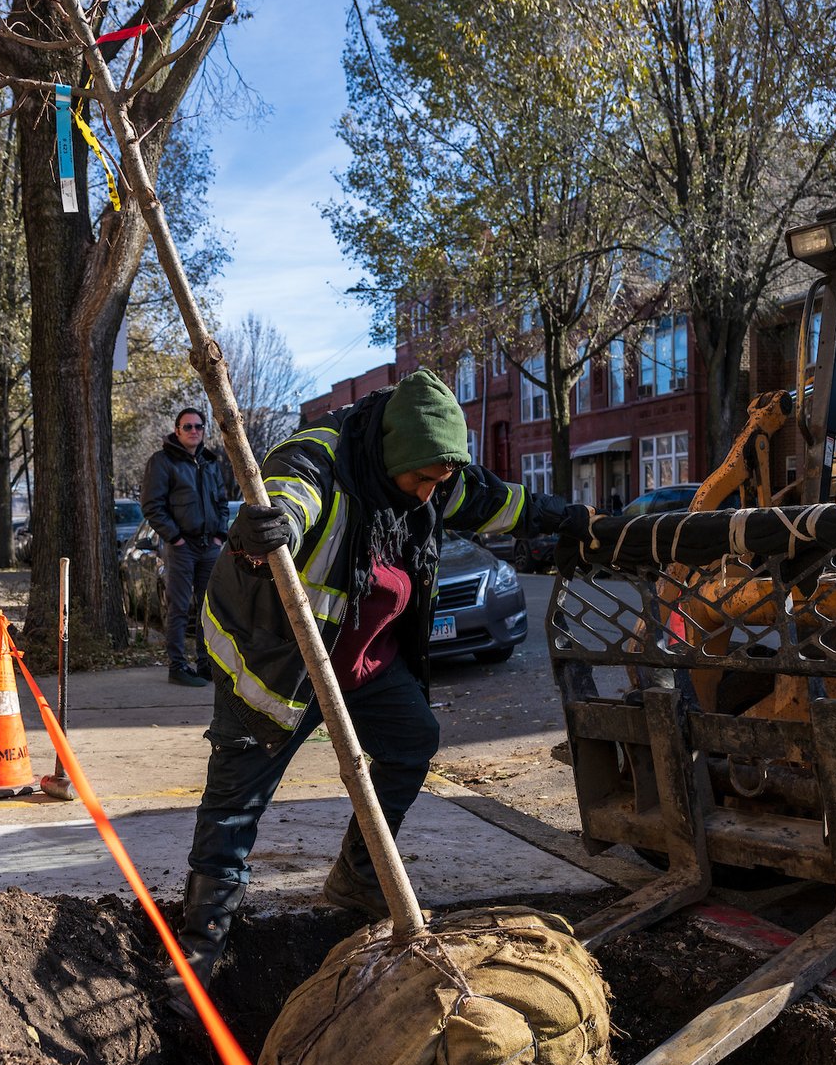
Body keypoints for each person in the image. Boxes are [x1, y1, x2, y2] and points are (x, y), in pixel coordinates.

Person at [172, 369, 577, 988]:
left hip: (363, 661)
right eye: (420, 481)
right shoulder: (318, 457)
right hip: (279, 663)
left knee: (412, 741)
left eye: (437, 483)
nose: (425, 495)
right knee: (235, 806)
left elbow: (501, 503)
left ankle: (359, 878)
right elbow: (288, 498)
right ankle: (199, 954)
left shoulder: (431, 475)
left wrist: (572, 520)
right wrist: (267, 528)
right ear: (395, 453)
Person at [140, 406, 231, 687]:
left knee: (209, 607)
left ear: (204, 431)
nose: (194, 431)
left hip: (209, 547)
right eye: (188, 427)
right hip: (181, 547)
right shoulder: (163, 461)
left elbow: (222, 503)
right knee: (179, 607)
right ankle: (177, 666)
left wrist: (219, 536)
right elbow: (152, 506)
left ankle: (204, 664)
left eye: (198, 427)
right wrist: (175, 538)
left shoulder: (209, 462)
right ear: (177, 431)